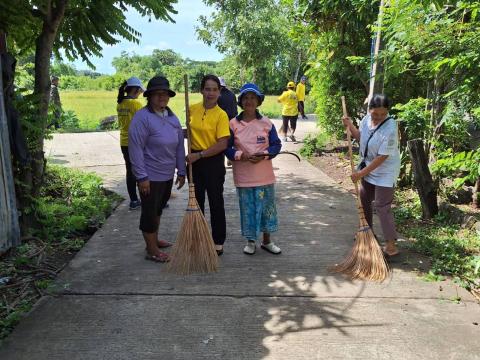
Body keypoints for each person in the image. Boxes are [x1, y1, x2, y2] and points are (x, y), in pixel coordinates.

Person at [128, 76, 186, 263]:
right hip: (150, 176)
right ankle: (151, 250)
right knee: (149, 213)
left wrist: (182, 170)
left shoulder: (171, 117)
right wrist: (141, 176)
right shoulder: (142, 118)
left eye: (165, 93)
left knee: (158, 209)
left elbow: (179, 146)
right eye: (157, 93)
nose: (162, 97)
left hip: (167, 175)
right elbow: (135, 149)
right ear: (149, 96)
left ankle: (154, 240)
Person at [225, 83, 282, 255]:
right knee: (248, 209)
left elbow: (276, 145)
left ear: (258, 101)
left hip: (264, 176)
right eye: (246, 98)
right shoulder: (233, 123)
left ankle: (267, 241)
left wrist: (264, 154)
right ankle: (250, 241)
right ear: (241, 101)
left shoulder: (266, 123)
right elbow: (227, 148)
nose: (249, 101)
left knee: (266, 209)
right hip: (243, 177)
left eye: (253, 98)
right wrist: (240, 155)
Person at [341, 94, 401, 256]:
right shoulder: (366, 120)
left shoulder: (390, 128)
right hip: (368, 166)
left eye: (383, 114)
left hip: (385, 170)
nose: (379, 117)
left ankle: (391, 244)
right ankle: (367, 232)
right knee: (364, 198)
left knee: (382, 206)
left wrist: (360, 173)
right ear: (370, 110)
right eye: (375, 114)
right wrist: (350, 126)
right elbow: (363, 139)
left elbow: (382, 157)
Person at [186, 74, 230, 256]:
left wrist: (200, 155)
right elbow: (189, 132)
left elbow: (222, 143)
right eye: (207, 89)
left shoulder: (221, 115)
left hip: (212, 161)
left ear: (219, 92)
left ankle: (218, 240)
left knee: (215, 201)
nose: (210, 93)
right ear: (201, 90)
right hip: (193, 162)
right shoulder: (192, 109)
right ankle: (198, 237)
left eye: (214, 89)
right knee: (196, 202)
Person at [117, 76, 145, 210]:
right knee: (140, 171)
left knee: (130, 171)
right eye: (140, 90)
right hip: (136, 142)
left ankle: (134, 200)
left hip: (124, 141)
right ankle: (146, 199)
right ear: (135, 89)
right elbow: (144, 123)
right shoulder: (135, 104)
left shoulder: (120, 103)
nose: (140, 93)